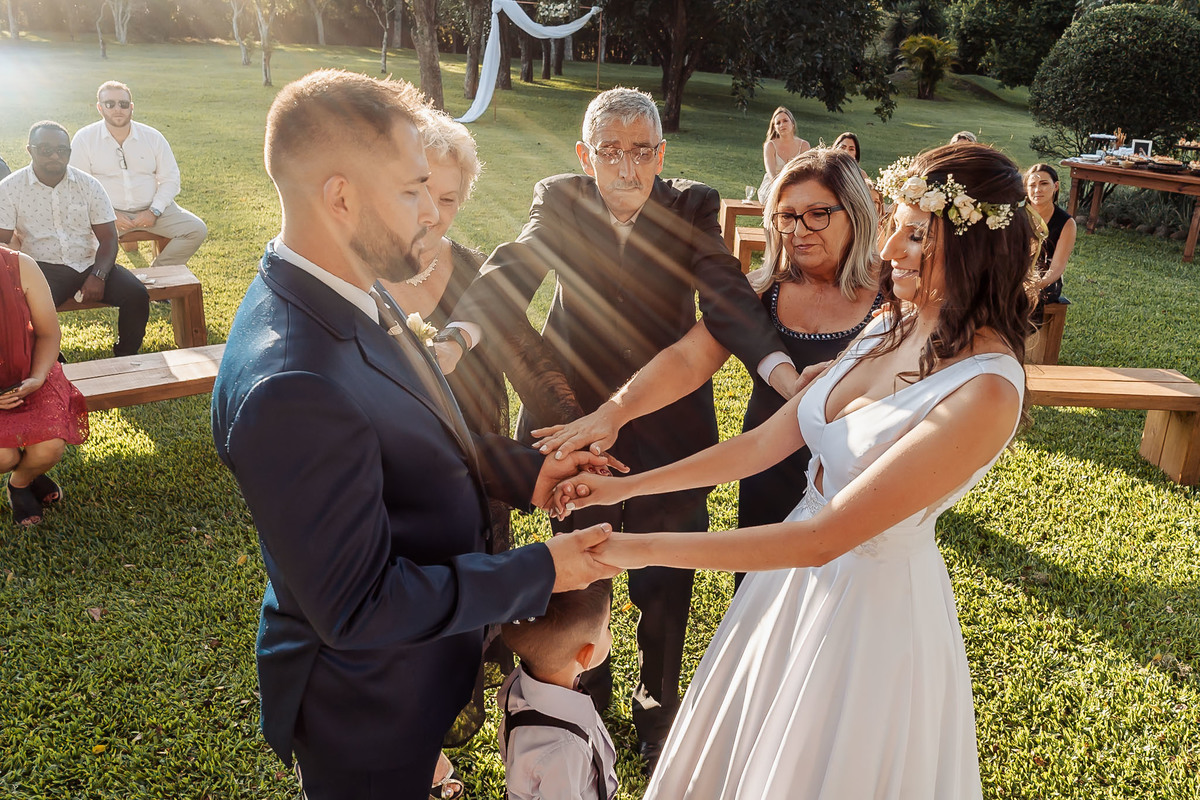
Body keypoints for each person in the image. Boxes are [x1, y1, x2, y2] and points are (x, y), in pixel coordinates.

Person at [556, 143, 1036, 798]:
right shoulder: (890, 326)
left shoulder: (986, 390)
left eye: (915, 234)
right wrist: (624, 486)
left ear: (979, 248)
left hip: (865, 616)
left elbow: (821, 540)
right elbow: (759, 446)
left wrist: (625, 548)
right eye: (893, 225)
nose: (890, 249)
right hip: (784, 592)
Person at [210, 69, 617, 800]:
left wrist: (528, 472)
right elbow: (359, 605)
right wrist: (543, 569)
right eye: (411, 191)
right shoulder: (291, 383)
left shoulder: (348, 284)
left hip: (415, 670)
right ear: (340, 197)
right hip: (366, 708)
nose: (433, 212)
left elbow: (415, 430)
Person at [444, 86, 798, 772]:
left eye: (641, 152)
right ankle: (584, 693)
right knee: (580, 574)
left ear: (661, 155)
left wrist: (783, 375)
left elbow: (725, 295)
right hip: (570, 423)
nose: (626, 168)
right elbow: (513, 268)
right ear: (586, 155)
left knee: (666, 581)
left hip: (671, 428)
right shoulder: (561, 197)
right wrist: (453, 341)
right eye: (610, 152)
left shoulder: (693, 203)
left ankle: (658, 714)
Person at [533, 149, 882, 545]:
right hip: (767, 469)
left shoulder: (894, 295)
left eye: (818, 214)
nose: (799, 231)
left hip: (862, 477)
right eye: (786, 216)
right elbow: (687, 359)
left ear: (854, 212)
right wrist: (615, 412)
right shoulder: (759, 291)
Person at [0, 121, 149, 357]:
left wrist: (98, 275)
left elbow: (109, 238)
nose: (55, 156)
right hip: (42, 268)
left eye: (62, 150)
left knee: (136, 294)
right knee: (22, 310)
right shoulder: (9, 188)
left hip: (90, 262)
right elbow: (2, 241)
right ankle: (54, 363)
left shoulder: (89, 185)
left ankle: (125, 356)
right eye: (45, 150)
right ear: (30, 149)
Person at [497, 579, 618, 800]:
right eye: (607, 628)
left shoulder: (519, 684)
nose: (610, 635)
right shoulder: (565, 750)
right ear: (586, 655)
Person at [70, 81, 208, 267]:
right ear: (100, 108)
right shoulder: (85, 138)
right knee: (78, 246)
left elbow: (170, 179)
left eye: (123, 104)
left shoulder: (153, 137)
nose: (117, 109)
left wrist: (154, 210)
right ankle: (110, 280)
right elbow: (78, 186)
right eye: (110, 104)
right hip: (105, 214)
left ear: (131, 107)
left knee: (196, 229)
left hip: (153, 210)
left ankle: (161, 272)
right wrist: (108, 214)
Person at [1, 244, 89, 526]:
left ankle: (21, 482)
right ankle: (28, 473)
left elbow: (49, 334)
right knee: (3, 455)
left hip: (30, 373)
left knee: (49, 447)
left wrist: (38, 377)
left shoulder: (20, 266)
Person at [1024, 162, 1075, 324]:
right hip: (1014, 275)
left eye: (1044, 183)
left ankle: (1016, 345)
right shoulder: (1015, 215)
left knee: (1026, 301)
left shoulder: (1066, 223)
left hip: (1045, 280)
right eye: (1032, 185)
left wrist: (1035, 285)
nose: (1037, 190)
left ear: (1056, 186)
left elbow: (1057, 267)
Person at [758, 106, 809, 201]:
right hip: (773, 186)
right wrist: (781, 187)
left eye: (785, 121)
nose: (782, 125)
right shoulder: (770, 146)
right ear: (775, 128)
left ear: (792, 123)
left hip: (796, 185)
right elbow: (771, 174)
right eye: (778, 123)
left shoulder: (804, 145)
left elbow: (805, 173)